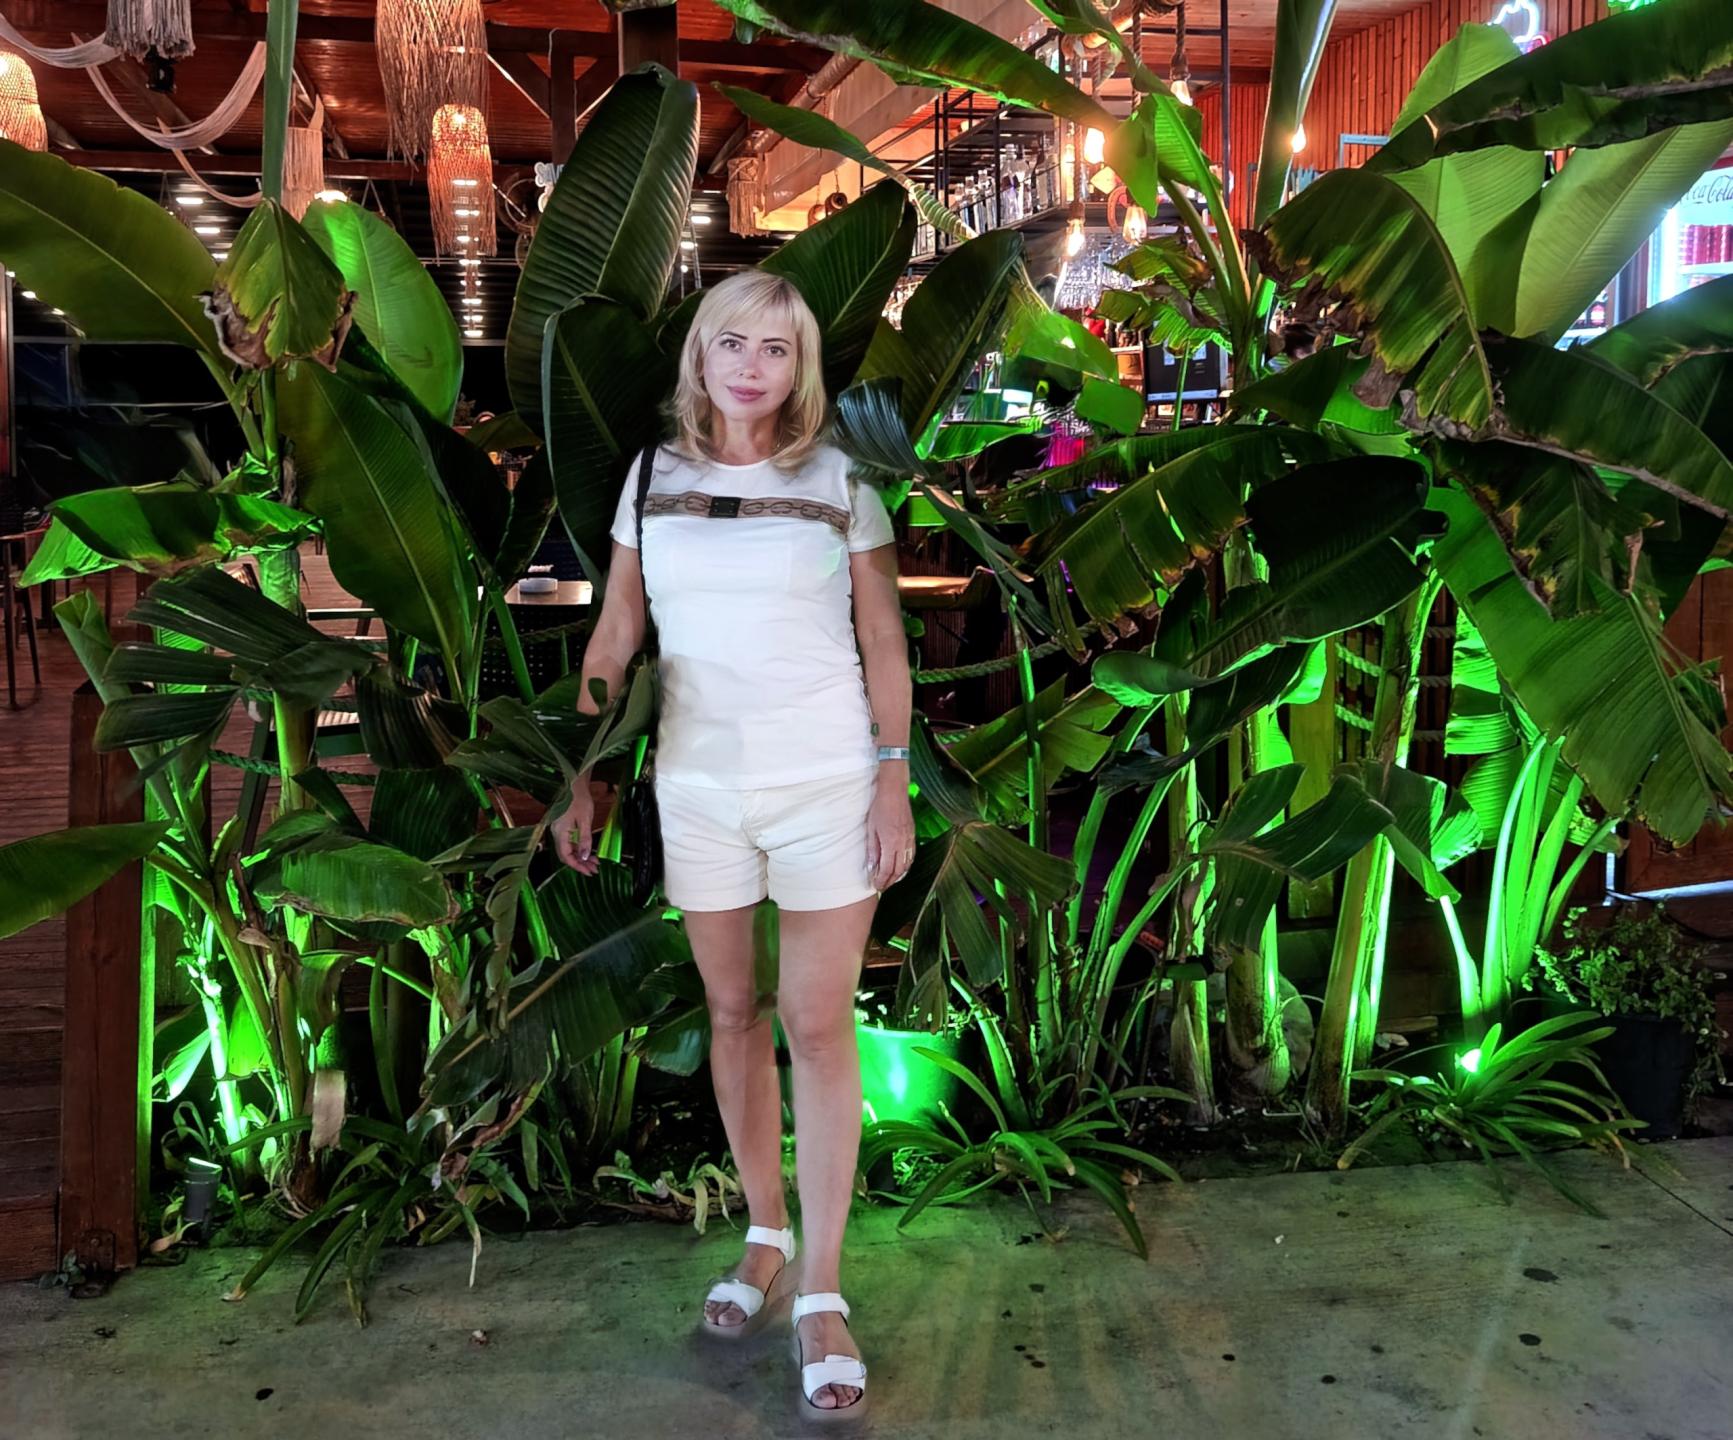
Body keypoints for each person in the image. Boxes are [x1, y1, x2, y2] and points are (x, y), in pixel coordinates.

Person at [550, 267, 914, 1417]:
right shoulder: (650, 477)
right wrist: (587, 770)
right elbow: (617, 627)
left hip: (826, 782)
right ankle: (764, 1233)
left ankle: (821, 1288)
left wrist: (892, 780)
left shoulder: (840, 478)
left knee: (816, 1020)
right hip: (695, 788)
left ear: (799, 368)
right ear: (698, 356)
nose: (750, 367)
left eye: (775, 349)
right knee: (729, 1013)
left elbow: (883, 637)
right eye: (731, 344)